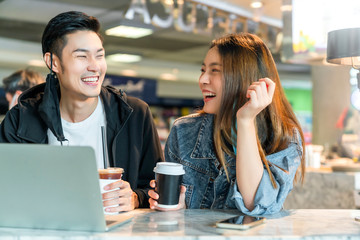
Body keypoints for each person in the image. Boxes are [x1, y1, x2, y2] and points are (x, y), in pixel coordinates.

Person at [0, 11, 163, 212]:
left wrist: (136, 198)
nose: (94, 66)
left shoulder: (134, 114)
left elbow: (158, 188)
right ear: (53, 62)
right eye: (82, 56)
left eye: (100, 55)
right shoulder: (20, 120)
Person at [149, 33, 305, 215]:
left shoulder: (283, 137)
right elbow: (177, 208)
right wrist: (179, 207)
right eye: (203, 70)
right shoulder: (184, 131)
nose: (203, 80)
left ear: (244, 77)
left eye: (215, 71)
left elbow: (255, 204)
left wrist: (245, 120)